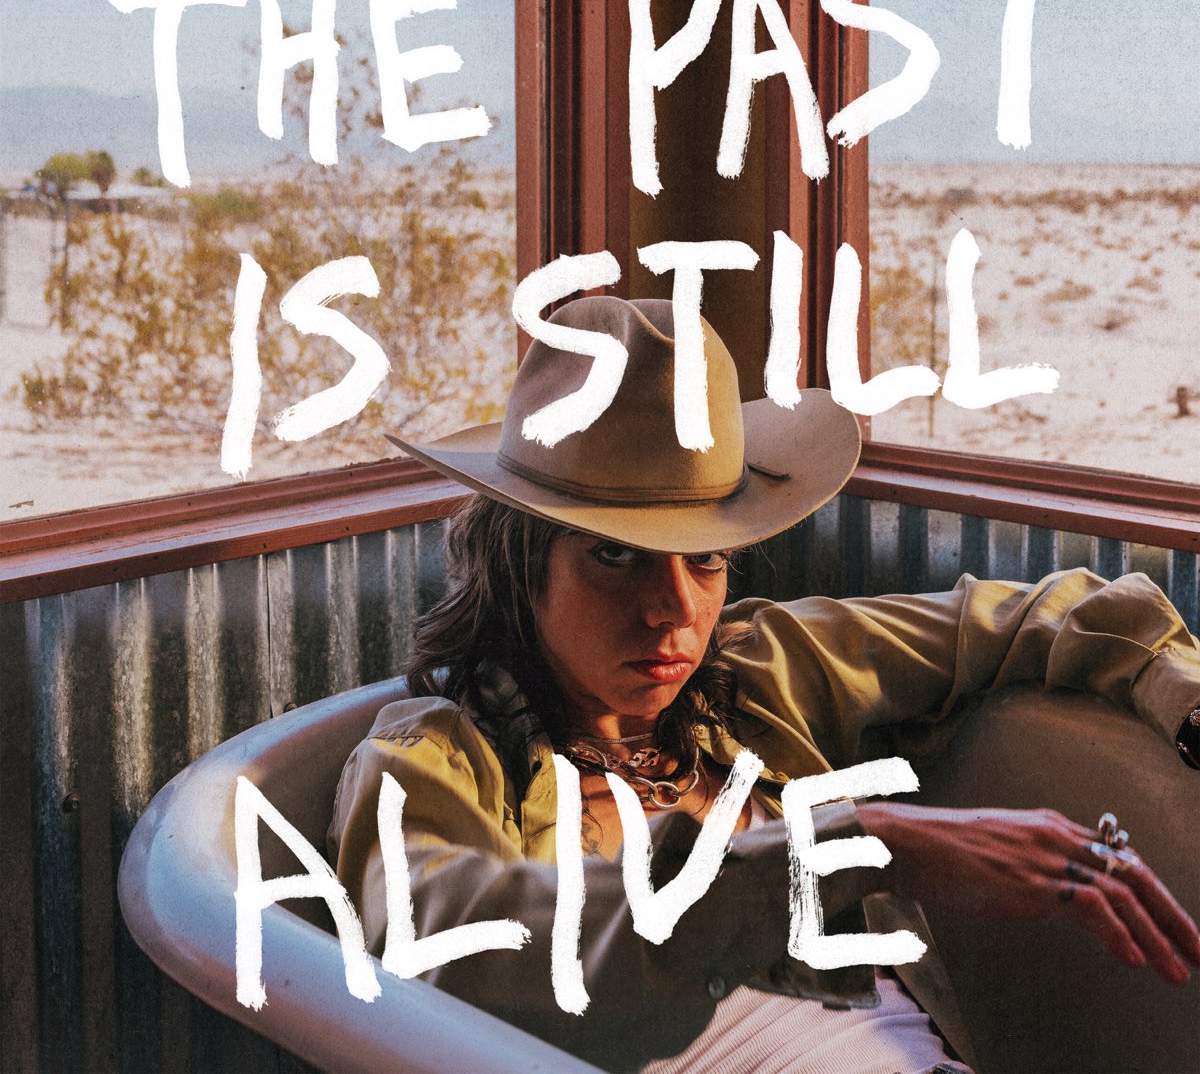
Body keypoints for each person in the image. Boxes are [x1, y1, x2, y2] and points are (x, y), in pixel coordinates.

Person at [329, 297, 1200, 1073]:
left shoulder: (758, 675)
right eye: (614, 555)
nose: (673, 611)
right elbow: (445, 940)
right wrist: (864, 845)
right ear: (517, 564)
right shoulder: (435, 754)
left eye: (704, 558)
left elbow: (1052, 613)